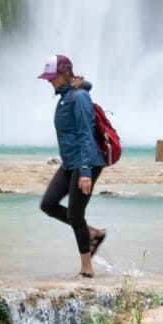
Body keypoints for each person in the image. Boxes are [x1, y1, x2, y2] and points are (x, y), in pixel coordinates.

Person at [38, 55, 108, 278]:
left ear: (64, 74)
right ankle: (92, 233)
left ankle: (87, 269)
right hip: (70, 163)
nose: (49, 81)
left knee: (76, 214)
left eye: (53, 77)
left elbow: (86, 134)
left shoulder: (79, 98)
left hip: (85, 163)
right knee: (48, 204)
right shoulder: (65, 97)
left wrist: (85, 171)